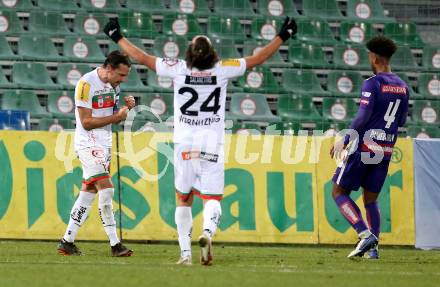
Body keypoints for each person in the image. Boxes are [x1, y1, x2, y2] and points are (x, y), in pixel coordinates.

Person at [104, 17, 297, 265]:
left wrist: (117, 36)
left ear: (190, 53)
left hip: (185, 143)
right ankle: (207, 233)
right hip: (212, 143)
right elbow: (258, 58)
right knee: (212, 199)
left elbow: (142, 58)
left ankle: (185, 254)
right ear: (212, 54)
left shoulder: (177, 68)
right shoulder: (223, 68)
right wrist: (283, 35)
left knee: (183, 199)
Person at [330, 36, 409, 259]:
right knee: (371, 199)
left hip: (364, 147)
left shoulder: (372, 83)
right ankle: (372, 250)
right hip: (385, 150)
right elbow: (401, 121)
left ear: (374, 57)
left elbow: (363, 116)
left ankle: (364, 234)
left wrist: (344, 139)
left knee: (338, 192)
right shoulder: (403, 87)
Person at [57, 51, 136, 257]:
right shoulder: (86, 84)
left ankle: (67, 241)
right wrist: (116, 117)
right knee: (107, 190)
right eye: (121, 75)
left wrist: (126, 109)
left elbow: (113, 115)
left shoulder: (113, 86)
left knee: (87, 193)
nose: (123, 80)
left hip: (105, 144)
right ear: (109, 68)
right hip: (87, 143)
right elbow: (86, 122)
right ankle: (115, 244)